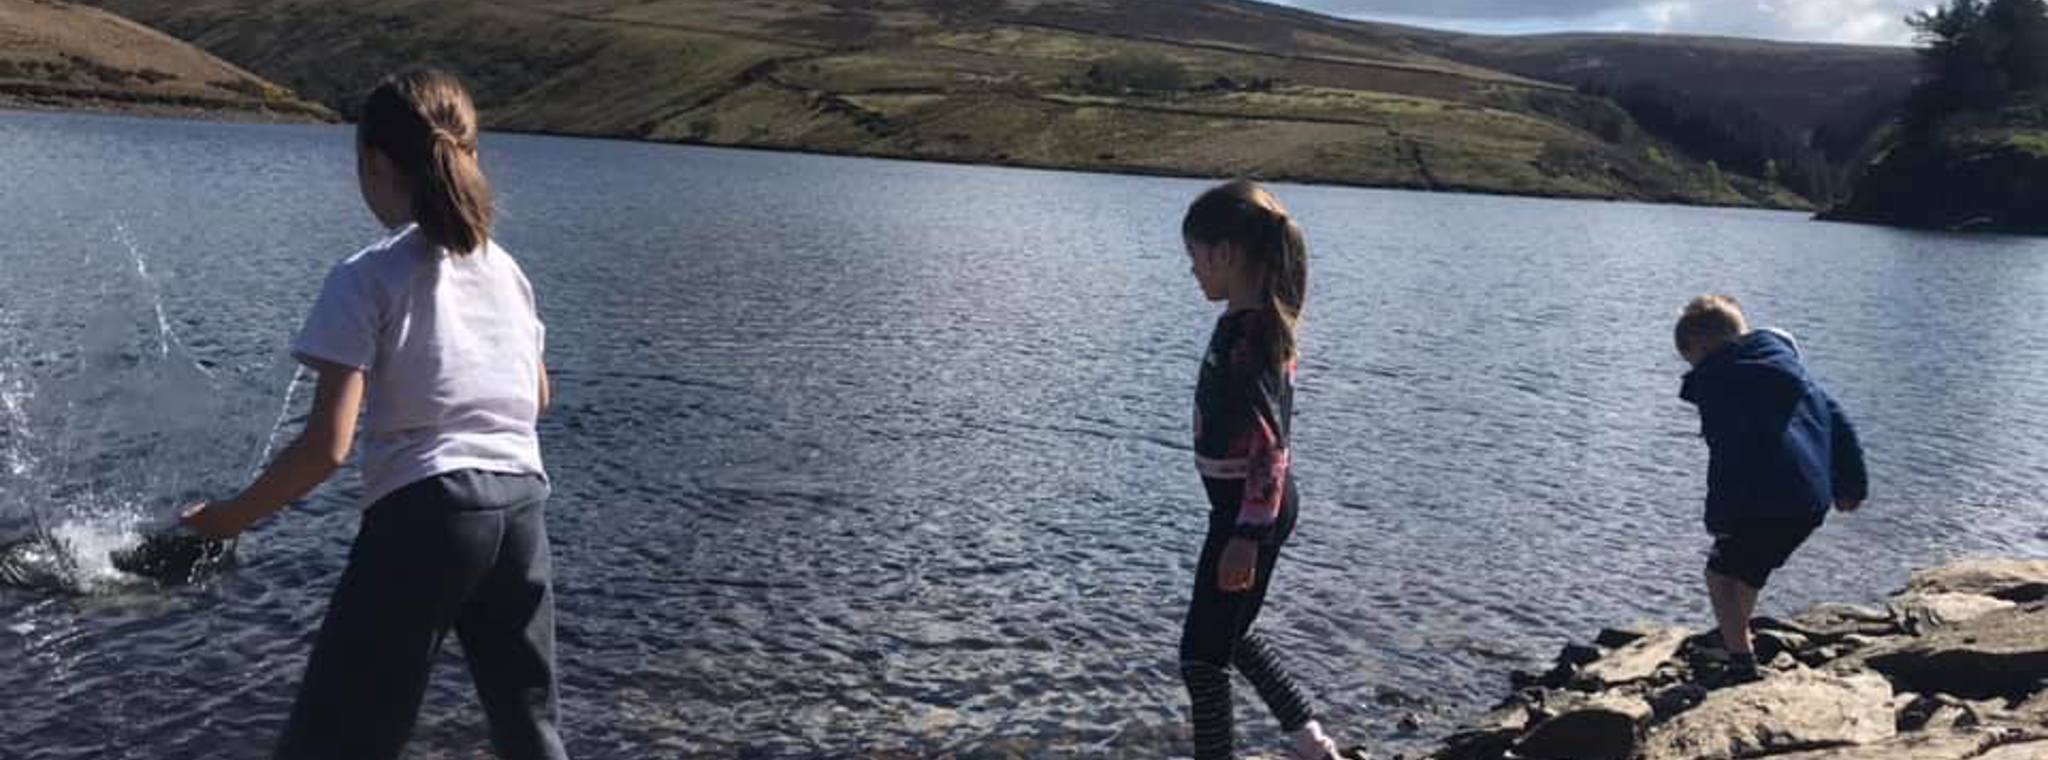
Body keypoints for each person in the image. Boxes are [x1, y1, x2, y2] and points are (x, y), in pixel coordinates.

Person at [180, 68, 566, 760]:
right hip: (522, 510)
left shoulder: (365, 276)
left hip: (428, 517)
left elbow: (327, 449)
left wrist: (227, 519)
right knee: (529, 727)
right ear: (469, 155)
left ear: (373, 163)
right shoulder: (507, 270)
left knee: (336, 740)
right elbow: (536, 397)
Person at [1179, 180, 1344, 760]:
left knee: (1201, 657)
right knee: (1233, 636)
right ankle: (1314, 747)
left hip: (1249, 510)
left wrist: (1245, 535)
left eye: (1195, 258)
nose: (1193, 271)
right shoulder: (1253, 323)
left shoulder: (1251, 335)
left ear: (1225, 253)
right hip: (1252, 507)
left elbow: (1271, 449)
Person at [1675, 295, 1867, 682]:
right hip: (1811, 500)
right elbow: (1840, 424)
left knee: (1718, 575)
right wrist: (1852, 485)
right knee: (1746, 573)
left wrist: (1721, 517)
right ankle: (1734, 638)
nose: (1693, 367)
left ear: (1699, 345)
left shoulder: (1722, 381)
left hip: (1766, 500)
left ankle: (1741, 664)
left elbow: (1731, 454)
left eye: (1689, 358)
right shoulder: (1792, 369)